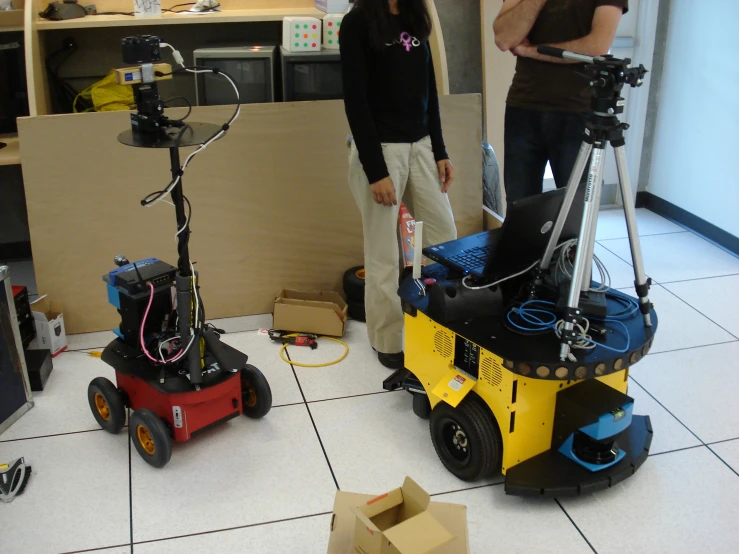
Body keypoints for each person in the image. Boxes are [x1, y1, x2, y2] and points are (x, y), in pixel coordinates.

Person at [340, 0, 457, 370]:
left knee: (446, 240)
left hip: (421, 146)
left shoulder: (415, 14)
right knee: (384, 256)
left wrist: (440, 149)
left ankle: (444, 326)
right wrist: (376, 170)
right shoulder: (358, 21)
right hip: (381, 150)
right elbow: (355, 100)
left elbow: (429, 89)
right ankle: (387, 340)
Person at [493, 0, 628, 203]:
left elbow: (596, 46)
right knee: (520, 207)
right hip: (523, 106)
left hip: (578, 111)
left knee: (575, 210)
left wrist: (533, 51)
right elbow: (505, 39)